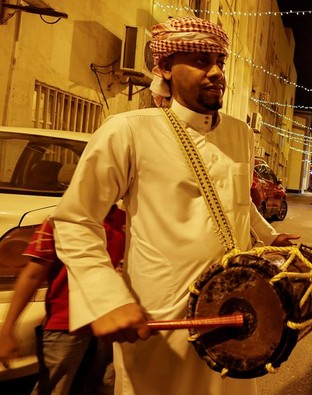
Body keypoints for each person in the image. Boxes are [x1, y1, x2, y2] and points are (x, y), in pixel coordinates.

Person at [51, 16, 298, 395]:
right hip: (162, 321)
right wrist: (106, 298)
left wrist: (270, 236)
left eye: (220, 61)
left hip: (235, 311)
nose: (216, 72)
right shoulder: (128, 130)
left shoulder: (239, 133)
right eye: (200, 61)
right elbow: (75, 219)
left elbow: (237, 202)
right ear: (164, 67)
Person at [0, 205, 125, 395]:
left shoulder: (125, 220)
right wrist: (8, 329)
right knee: (54, 388)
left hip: (110, 324)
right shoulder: (62, 219)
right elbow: (33, 275)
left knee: (104, 386)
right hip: (65, 326)